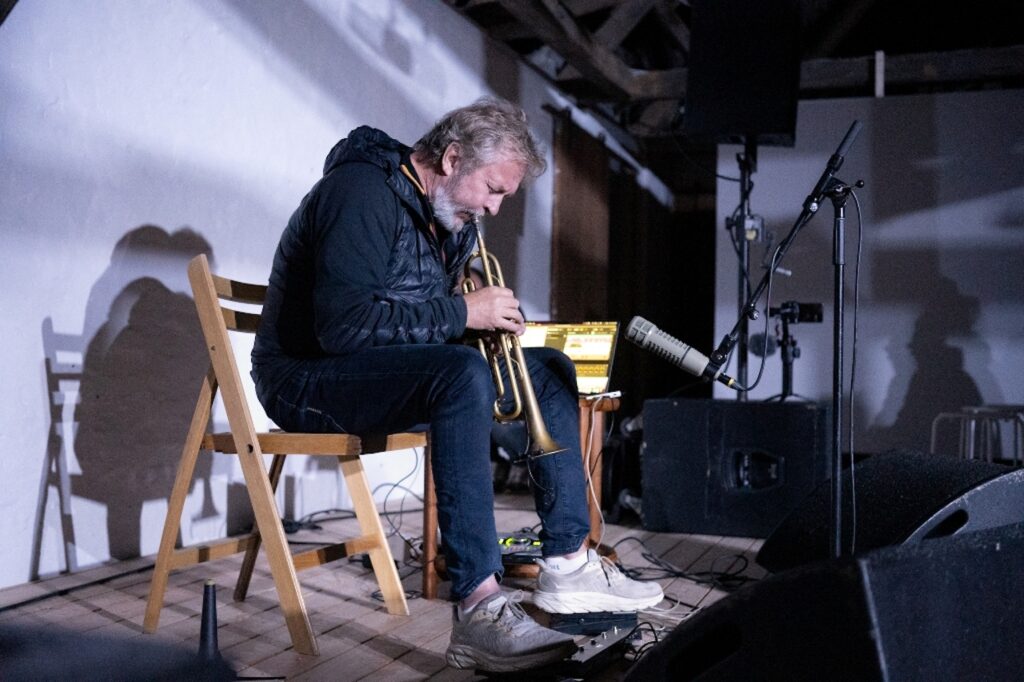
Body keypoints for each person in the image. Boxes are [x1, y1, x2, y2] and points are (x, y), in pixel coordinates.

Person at [252, 96, 663, 673]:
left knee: (548, 370)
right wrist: (463, 314)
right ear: (451, 159)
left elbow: (421, 328)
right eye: (493, 190)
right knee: (459, 371)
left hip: (371, 372)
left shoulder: (447, 224)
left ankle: (569, 563)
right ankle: (478, 605)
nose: (494, 209)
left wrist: (484, 323)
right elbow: (343, 327)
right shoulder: (361, 194)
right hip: (303, 377)